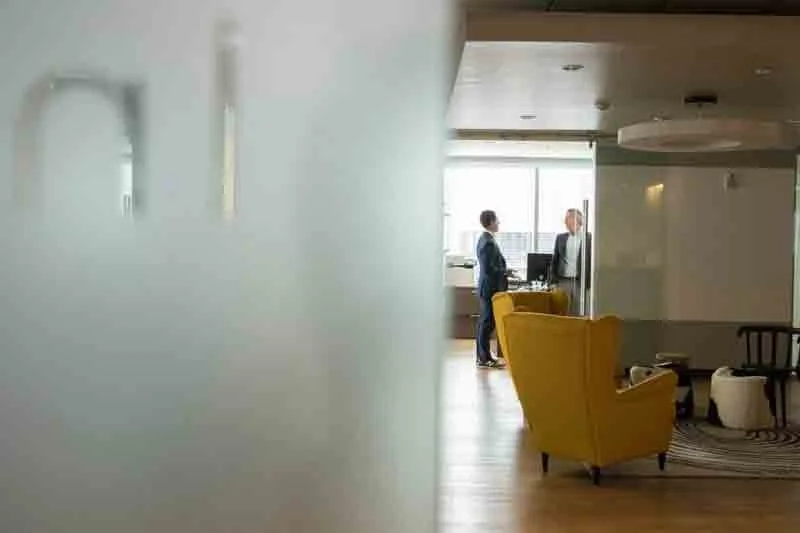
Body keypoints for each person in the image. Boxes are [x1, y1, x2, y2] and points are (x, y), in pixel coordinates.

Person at [475, 210, 510, 369]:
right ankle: (484, 358)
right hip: (489, 288)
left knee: (485, 323)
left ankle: (483, 356)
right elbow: (489, 269)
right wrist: (504, 272)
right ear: (490, 222)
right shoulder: (487, 242)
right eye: (497, 220)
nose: (499, 223)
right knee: (487, 323)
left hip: (489, 287)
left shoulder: (487, 239)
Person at [549, 208, 591, 316]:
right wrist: (552, 282)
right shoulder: (560, 238)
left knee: (580, 313)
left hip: (580, 282)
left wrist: (590, 284)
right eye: (566, 219)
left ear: (578, 220)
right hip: (563, 281)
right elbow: (554, 261)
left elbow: (591, 262)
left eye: (569, 218)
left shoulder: (588, 238)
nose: (566, 221)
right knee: (562, 312)